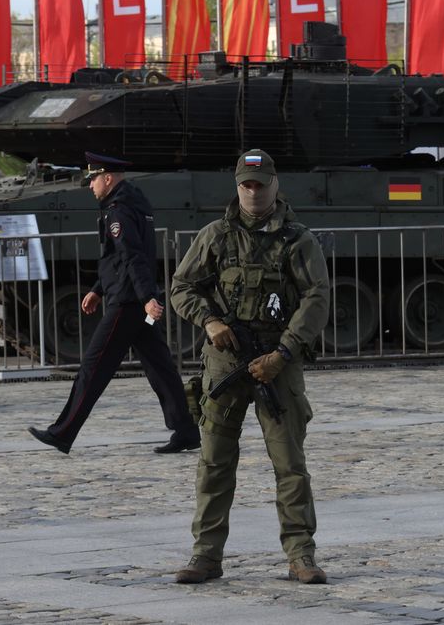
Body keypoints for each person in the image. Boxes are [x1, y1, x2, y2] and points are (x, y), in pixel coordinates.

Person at [169, 149, 331, 586]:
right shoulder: (214, 236)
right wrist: (211, 320)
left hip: (279, 362)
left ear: (275, 184)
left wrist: (283, 353)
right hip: (226, 364)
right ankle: (205, 555)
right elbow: (181, 287)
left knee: (289, 463)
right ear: (237, 186)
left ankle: (301, 555)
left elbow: (317, 298)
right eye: (246, 184)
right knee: (215, 462)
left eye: (260, 184)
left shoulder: (298, 240)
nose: (253, 191)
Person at [28, 152, 199, 455]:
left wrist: (147, 298)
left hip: (127, 303)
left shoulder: (117, 211)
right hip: (131, 298)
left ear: (107, 177)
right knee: (161, 368)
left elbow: (132, 255)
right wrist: (97, 289)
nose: (91, 185)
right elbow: (117, 258)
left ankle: (62, 432)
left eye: (93, 179)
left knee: (92, 370)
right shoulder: (135, 202)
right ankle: (186, 431)